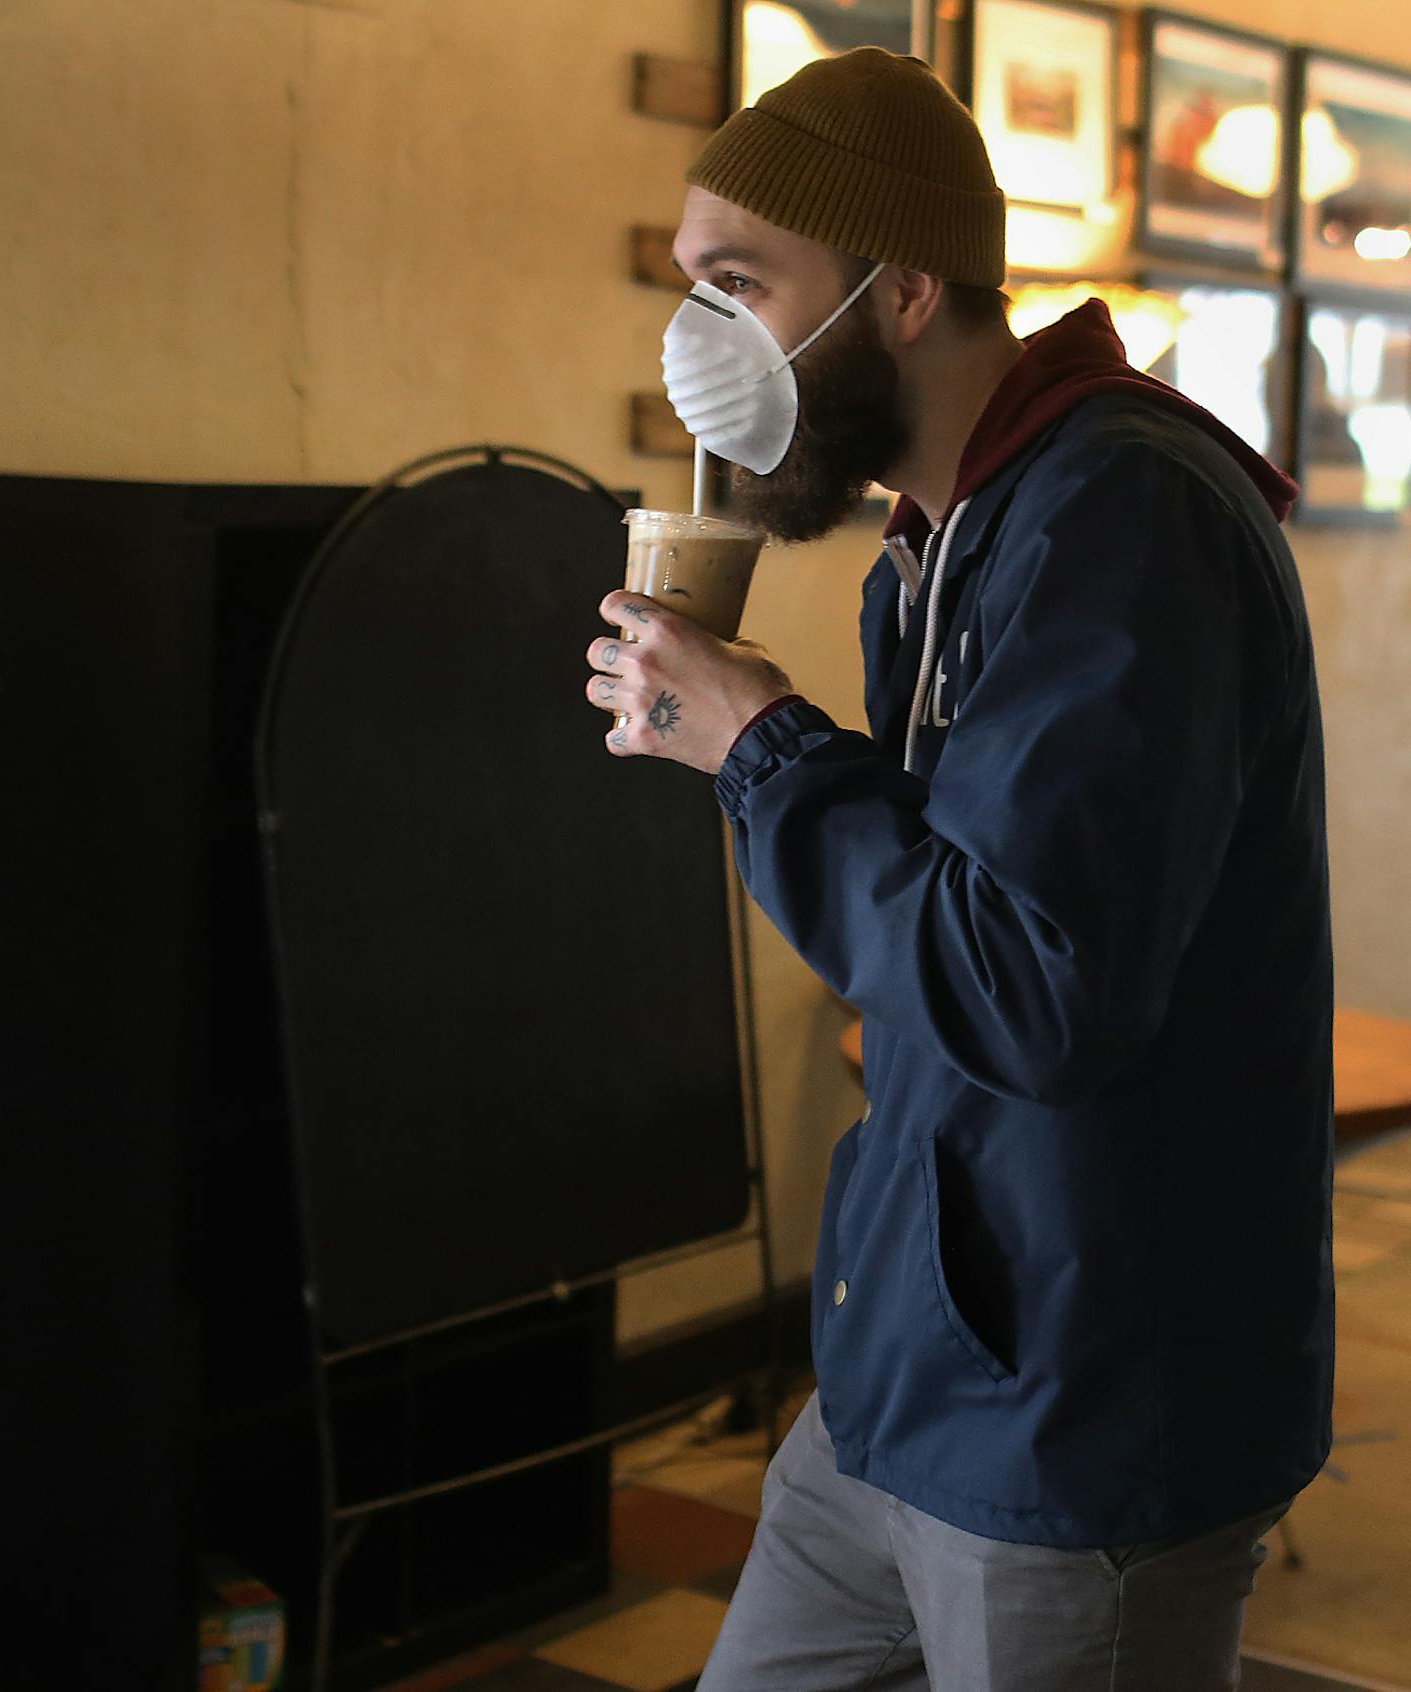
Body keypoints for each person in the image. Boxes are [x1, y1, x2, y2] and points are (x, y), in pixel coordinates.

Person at [587, 50, 1332, 1690]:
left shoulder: (1121, 511)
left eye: (737, 284)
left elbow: (1032, 990)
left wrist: (763, 744)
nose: (701, 344)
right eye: (688, 287)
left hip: (1079, 1404)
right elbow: (930, 935)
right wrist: (744, 745)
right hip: (910, 1369)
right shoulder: (947, 536)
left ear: (902, 289)